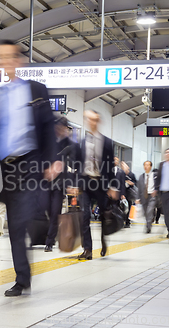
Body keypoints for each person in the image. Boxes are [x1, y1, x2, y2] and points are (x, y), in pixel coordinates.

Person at [0, 40, 59, 297]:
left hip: (28, 164)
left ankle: (22, 278)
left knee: (20, 221)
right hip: (2, 169)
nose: (2, 62)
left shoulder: (36, 90)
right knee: (13, 225)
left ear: (18, 61)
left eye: (7, 57)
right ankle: (22, 276)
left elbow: (48, 127)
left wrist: (53, 159)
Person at [75, 110, 120, 261]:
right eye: (90, 120)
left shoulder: (107, 142)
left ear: (98, 121)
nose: (92, 122)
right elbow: (77, 165)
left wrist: (113, 186)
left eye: (95, 120)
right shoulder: (82, 142)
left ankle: (103, 240)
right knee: (85, 216)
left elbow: (110, 168)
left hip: (101, 183)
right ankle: (87, 249)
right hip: (86, 183)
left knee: (103, 216)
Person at [45, 117, 76, 252]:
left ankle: (49, 242)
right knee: (46, 210)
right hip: (45, 183)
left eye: (64, 128)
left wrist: (71, 185)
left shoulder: (69, 146)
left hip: (60, 185)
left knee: (55, 212)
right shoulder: (49, 142)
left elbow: (72, 166)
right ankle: (47, 236)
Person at [136, 161, 158, 233]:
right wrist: (137, 198)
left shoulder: (155, 175)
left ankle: (148, 226)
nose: (146, 166)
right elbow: (139, 188)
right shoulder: (141, 177)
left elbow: (158, 185)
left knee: (149, 211)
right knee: (146, 212)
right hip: (143, 197)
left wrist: (156, 191)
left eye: (148, 165)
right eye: (145, 165)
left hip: (152, 196)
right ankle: (149, 223)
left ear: (151, 167)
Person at [121, 161, 136, 228]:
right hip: (123, 193)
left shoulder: (132, 175)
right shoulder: (121, 174)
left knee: (129, 208)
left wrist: (131, 183)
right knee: (122, 208)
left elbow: (135, 182)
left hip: (129, 194)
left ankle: (127, 222)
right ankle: (122, 221)